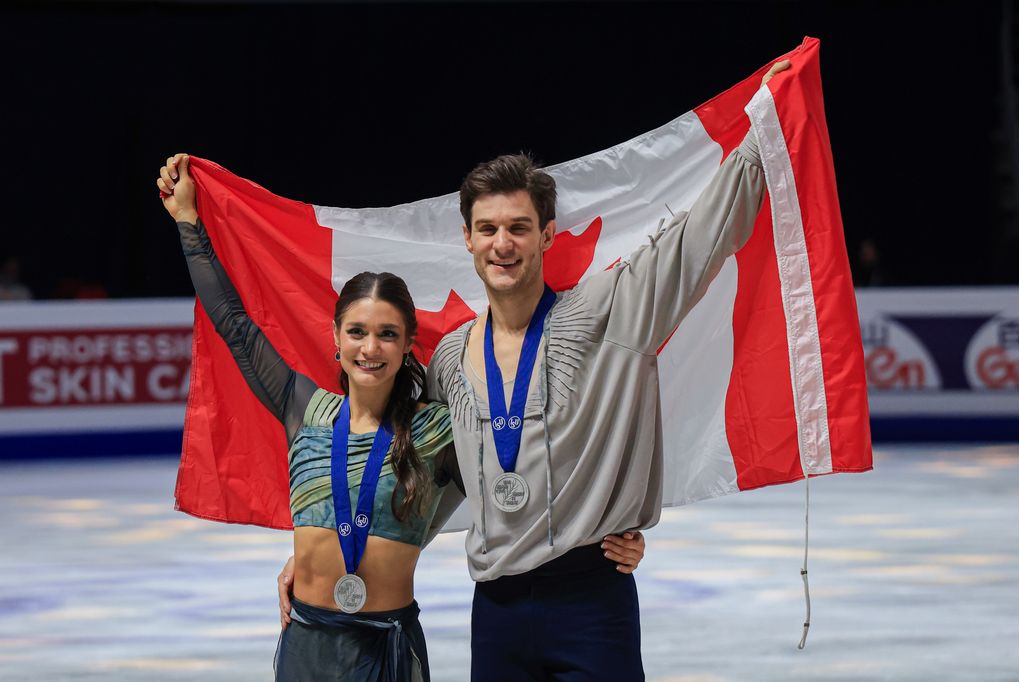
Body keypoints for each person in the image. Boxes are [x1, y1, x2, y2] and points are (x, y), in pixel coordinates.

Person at [279, 59, 791, 680]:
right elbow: (409, 466)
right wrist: (324, 556)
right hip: (495, 611)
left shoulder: (610, 311)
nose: (504, 243)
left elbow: (699, 239)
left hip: (592, 600)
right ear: (466, 239)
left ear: (547, 235)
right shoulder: (448, 360)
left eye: (519, 228)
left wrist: (765, 125)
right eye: (488, 229)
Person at [157, 154, 644, 680]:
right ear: (336, 339)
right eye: (358, 332)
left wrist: (609, 533)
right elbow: (234, 326)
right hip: (307, 643)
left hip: (391, 646)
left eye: (388, 334)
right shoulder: (304, 408)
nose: (371, 348)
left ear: (409, 344)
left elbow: (530, 470)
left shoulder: (436, 428)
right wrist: (189, 224)